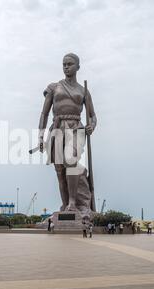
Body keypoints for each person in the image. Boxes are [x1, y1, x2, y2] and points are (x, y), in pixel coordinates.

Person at [37, 53, 97, 214]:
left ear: (77, 66)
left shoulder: (83, 91)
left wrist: (92, 126)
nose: (66, 67)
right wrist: (41, 136)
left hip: (76, 127)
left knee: (71, 160)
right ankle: (65, 205)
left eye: (69, 64)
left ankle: (73, 203)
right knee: (59, 169)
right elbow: (44, 114)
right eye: (64, 64)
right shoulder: (53, 87)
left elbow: (93, 116)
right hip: (57, 127)